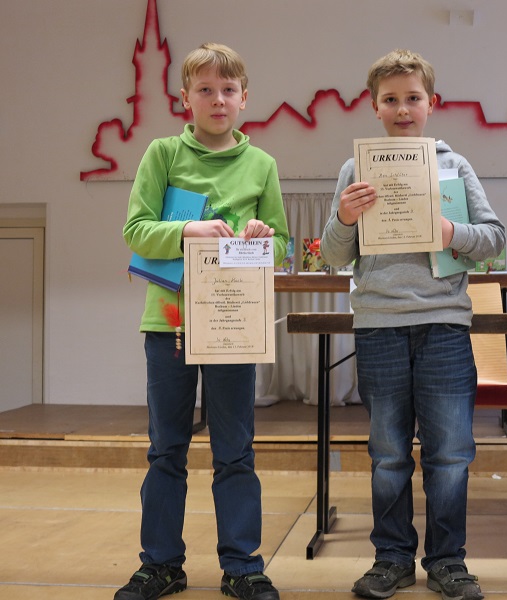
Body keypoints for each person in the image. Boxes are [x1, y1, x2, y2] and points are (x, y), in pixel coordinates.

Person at [320, 49, 505, 600]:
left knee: (451, 453)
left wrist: (451, 233)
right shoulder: (355, 169)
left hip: (444, 325)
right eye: (391, 99)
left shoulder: (455, 166)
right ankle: (392, 559)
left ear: (431, 103)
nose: (403, 109)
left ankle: (448, 561)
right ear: (374, 107)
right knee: (388, 454)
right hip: (378, 325)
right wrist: (345, 217)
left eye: (413, 98)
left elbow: (494, 240)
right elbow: (333, 255)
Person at [118, 42, 289, 600]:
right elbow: (136, 231)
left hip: (233, 327)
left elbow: (281, 246)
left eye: (228, 90)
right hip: (169, 323)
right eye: (206, 89)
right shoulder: (163, 153)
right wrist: (188, 231)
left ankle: (243, 566)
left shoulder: (262, 165)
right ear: (185, 98)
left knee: (235, 451)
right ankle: (160, 564)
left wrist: (263, 239)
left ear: (245, 99)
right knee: (166, 448)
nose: (218, 99)